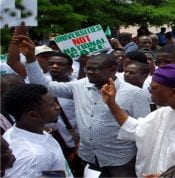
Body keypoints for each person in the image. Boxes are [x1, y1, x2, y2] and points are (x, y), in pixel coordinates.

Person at [18, 35, 150, 177]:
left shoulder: (134, 93)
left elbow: (144, 132)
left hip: (121, 162)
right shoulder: (79, 86)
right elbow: (44, 86)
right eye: (88, 69)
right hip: (89, 158)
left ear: (112, 69)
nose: (89, 73)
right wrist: (31, 58)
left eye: (95, 69)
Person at [2, 84, 72, 177]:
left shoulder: (18, 131)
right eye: (51, 105)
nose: (57, 106)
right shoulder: (33, 157)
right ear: (33, 115)